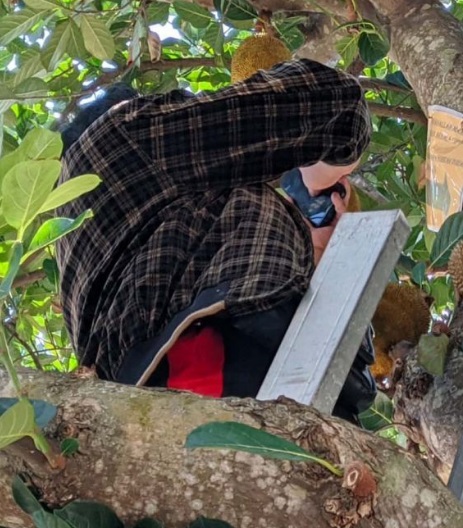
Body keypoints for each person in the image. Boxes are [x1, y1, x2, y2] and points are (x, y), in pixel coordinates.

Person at [54, 59, 377, 423]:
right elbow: (337, 102)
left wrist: (314, 250)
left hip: (159, 414)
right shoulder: (118, 131)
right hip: (222, 363)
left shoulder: (69, 249)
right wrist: (321, 172)